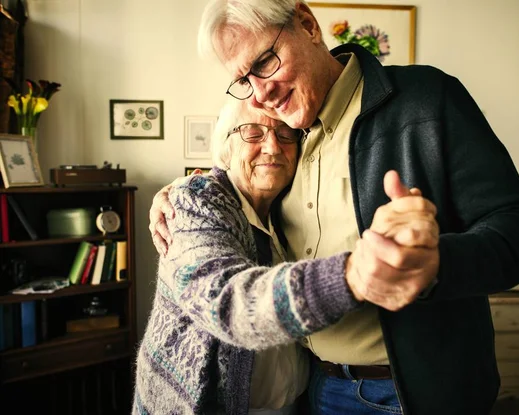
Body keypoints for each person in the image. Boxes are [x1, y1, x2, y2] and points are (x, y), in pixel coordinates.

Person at [148, 1, 519, 414]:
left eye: (266, 61)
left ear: (307, 25)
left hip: (413, 394)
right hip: (314, 388)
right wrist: (182, 191)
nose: (262, 93)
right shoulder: (286, 136)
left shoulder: (427, 99)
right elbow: (237, 178)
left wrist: (435, 263)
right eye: (243, 80)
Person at [136, 98, 438, 415]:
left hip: (298, 402)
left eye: (285, 134)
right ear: (225, 147)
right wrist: (352, 275)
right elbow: (225, 302)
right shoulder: (196, 200)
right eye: (253, 133)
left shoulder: (285, 209)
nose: (272, 147)